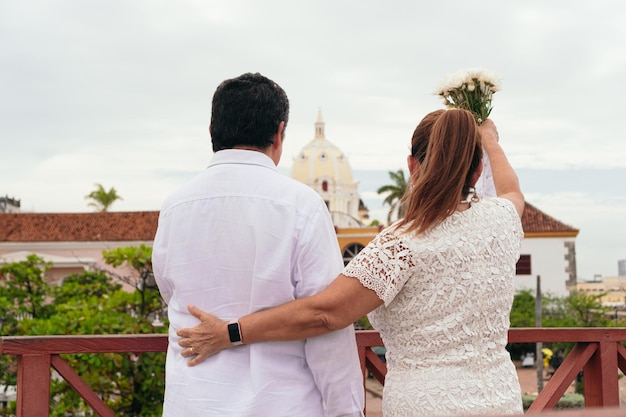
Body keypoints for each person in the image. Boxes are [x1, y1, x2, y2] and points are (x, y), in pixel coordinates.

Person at [177, 109, 526, 417]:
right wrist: (490, 140)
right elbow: (513, 191)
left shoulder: (401, 244)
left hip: (426, 405)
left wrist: (230, 332)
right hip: (501, 399)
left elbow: (325, 313)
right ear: (478, 171)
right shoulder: (502, 219)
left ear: (412, 166)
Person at [152, 72, 364, 417]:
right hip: (280, 404)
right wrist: (347, 410)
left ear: (211, 132)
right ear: (279, 133)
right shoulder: (301, 205)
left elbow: (169, 292)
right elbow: (325, 319)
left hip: (192, 403)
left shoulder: (175, 207)